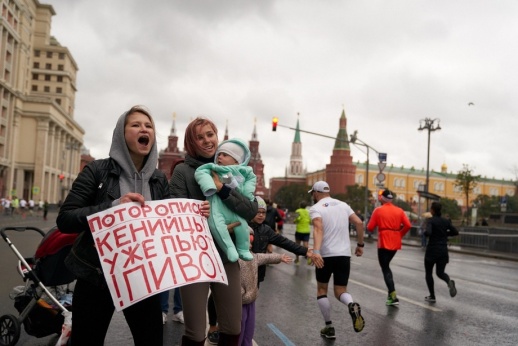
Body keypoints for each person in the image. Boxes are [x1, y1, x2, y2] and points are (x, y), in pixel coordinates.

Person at [56, 105, 188, 346]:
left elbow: (168, 223)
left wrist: (193, 216)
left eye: (148, 126)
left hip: (142, 277)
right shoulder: (98, 170)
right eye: (136, 125)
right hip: (97, 276)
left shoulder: (158, 179)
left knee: (150, 340)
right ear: (121, 133)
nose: (144, 129)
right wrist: (113, 207)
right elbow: (65, 219)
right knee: (87, 341)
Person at [169, 117, 258, 345]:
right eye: (200, 137)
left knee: (233, 326)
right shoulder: (182, 171)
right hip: (195, 257)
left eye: (210, 134)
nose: (207, 141)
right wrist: (196, 212)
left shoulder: (226, 171)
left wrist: (222, 189)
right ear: (191, 142)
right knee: (196, 332)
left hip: (225, 255)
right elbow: (173, 212)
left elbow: (248, 210)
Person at [308, 181, 365, 339]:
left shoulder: (316, 208)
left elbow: (318, 228)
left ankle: (329, 327)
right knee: (341, 291)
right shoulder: (343, 205)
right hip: (344, 255)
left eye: (313, 193)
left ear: (316, 193)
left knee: (321, 290)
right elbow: (359, 223)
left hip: (325, 255)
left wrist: (317, 251)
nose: (313, 196)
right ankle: (351, 304)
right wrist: (360, 244)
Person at [195, 138, 256, 262]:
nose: (220, 157)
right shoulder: (215, 168)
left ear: (236, 160)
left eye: (225, 155)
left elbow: (251, 179)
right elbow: (200, 172)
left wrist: (247, 193)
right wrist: (210, 186)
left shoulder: (245, 171)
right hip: (217, 207)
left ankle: (243, 249)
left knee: (243, 226)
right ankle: (230, 249)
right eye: (219, 154)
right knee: (218, 226)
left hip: (234, 209)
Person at [238, 229, 292, 346]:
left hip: (251, 301)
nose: (251, 244)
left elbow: (266, 257)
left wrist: (279, 257)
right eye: (248, 240)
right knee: (238, 334)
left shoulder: (253, 257)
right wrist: (241, 293)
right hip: (239, 304)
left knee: (248, 332)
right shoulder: (234, 258)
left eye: (252, 240)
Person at [367, 189, 412, 306]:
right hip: (395, 241)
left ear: (382, 198)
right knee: (387, 266)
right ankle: (390, 295)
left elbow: (370, 227)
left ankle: (393, 295)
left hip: (383, 241)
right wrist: (399, 234)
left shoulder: (378, 210)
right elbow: (408, 225)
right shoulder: (400, 210)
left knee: (385, 267)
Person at [424, 201, 458, 303]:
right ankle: (449, 281)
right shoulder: (445, 221)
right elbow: (455, 232)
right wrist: (445, 234)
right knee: (440, 272)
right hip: (443, 250)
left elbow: (429, 232)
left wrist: (425, 233)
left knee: (429, 273)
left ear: (433, 210)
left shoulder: (431, 221)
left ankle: (432, 296)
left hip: (432, 250)